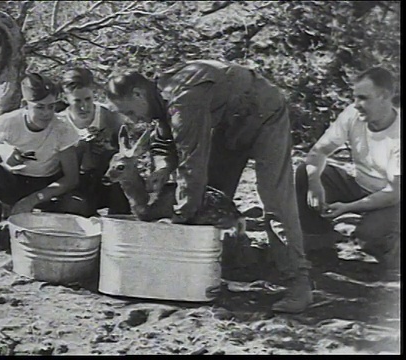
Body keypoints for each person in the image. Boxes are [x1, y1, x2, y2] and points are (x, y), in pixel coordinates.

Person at [104, 60, 312, 313]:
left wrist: (179, 217)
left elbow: (192, 163)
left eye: (130, 112)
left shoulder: (183, 99)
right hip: (231, 122)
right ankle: (223, 266)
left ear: (138, 93)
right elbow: (164, 138)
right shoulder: (161, 96)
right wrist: (163, 167)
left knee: (275, 199)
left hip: (265, 113)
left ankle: (298, 284)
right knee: (213, 196)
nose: (132, 119)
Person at [295, 66, 400, 273]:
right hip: (361, 186)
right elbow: (318, 152)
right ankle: (319, 247)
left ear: (385, 96)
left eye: (363, 98)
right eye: (354, 98)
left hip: (392, 200)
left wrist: (347, 207)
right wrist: (315, 184)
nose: (356, 105)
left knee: (371, 237)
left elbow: (394, 193)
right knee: (305, 172)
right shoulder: (353, 115)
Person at [0, 72, 81, 252]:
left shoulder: (62, 128)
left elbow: (71, 178)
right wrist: (0, 149)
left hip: (45, 185)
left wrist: (33, 200)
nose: (47, 113)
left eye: (51, 106)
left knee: (78, 205)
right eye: (40, 107)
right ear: (25, 105)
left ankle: (26, 228)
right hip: (14, 180)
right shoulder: (9, 122)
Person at [54, 66, 131, 217]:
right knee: (76, 205)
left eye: (88, 99)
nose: (84, 107)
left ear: (93, 92)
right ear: (65, 98)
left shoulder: (110, 117)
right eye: (77, 101)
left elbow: (126, 152)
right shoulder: (59, 123)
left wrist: (107, 147)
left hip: (105, 180)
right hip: (75, 183)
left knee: (121, 190)